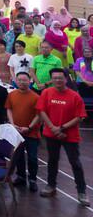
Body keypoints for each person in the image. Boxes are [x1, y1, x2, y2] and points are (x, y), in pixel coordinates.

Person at [37, 68, 89, 206]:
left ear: (66, 79)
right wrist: (53, 128)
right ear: (52, 80)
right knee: (52, 160)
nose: (57, 80)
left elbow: (80, 117)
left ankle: (82, 192)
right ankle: (51, 186)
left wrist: (61, 128)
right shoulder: (46, 93)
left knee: (75, 163)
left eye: (60, 78)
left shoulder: (74, 96)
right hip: (51, 134)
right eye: (55, 78)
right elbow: (42, 111)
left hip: (69, 135)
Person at [6, 72, 41, 192]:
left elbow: (39, 115)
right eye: (19, 80)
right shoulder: (12, 95)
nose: (22, 82)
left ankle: (32, 179)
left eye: (24, 80)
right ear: (16, 81)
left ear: (30, 81)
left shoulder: (36, 97)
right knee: (19, 156)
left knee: (32, 158)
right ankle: (21, 177)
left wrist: (30, 127)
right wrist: (12, 124)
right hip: (17, 132)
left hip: (31, 133)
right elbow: (9, 109)